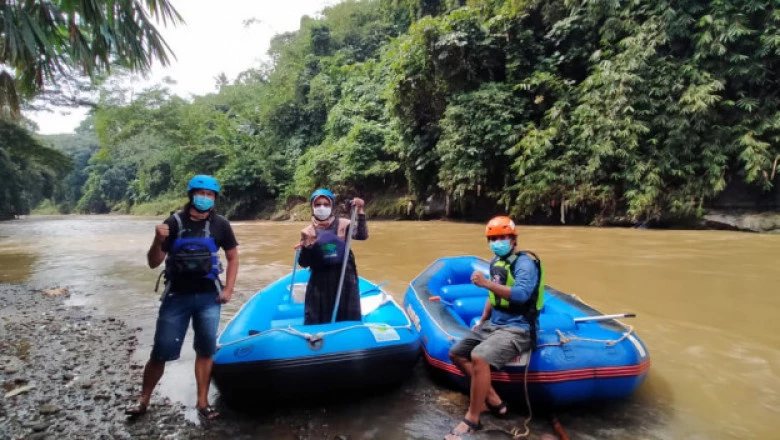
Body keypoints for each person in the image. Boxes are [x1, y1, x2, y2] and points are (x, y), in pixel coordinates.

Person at [126, 175, 239, 421]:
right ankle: (144, 399)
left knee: (205, 350)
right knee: (161, 351)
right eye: (201, 194)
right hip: (176, 297)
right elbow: (153, 262)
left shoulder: (220, 225)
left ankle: (202, 402)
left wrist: (229, 289)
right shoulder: (173, 223)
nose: (205, 198)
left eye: (210, 195)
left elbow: (232, 257)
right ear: (191, 195)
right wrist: (158, 239)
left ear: (215, 199)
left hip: (209, 298)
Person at [444, 216, 544, 440]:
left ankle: (473, 419)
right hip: (494, 324)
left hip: (518, 328)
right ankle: (494, 400)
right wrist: (483, 317)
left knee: (479, 356)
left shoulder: (524, 263)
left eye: (501, 237)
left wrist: (486, 283)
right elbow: (494, 293)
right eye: (492, 239)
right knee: (457, 353)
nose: (496, 242)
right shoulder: (496, 262)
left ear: (513, 239)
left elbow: (521, 294)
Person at [298, 188, 368, 324]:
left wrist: (360, 211)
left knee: (347, 316)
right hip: (320, 281)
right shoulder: (307, 231)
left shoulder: (344, 224)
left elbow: (362, 235)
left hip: (344, 278)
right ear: (312, 207)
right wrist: (306, 247)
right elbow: (304, 263)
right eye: (318, 205)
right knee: (317, 317)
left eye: (326, 204)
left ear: (332, 206)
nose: (322, 207)